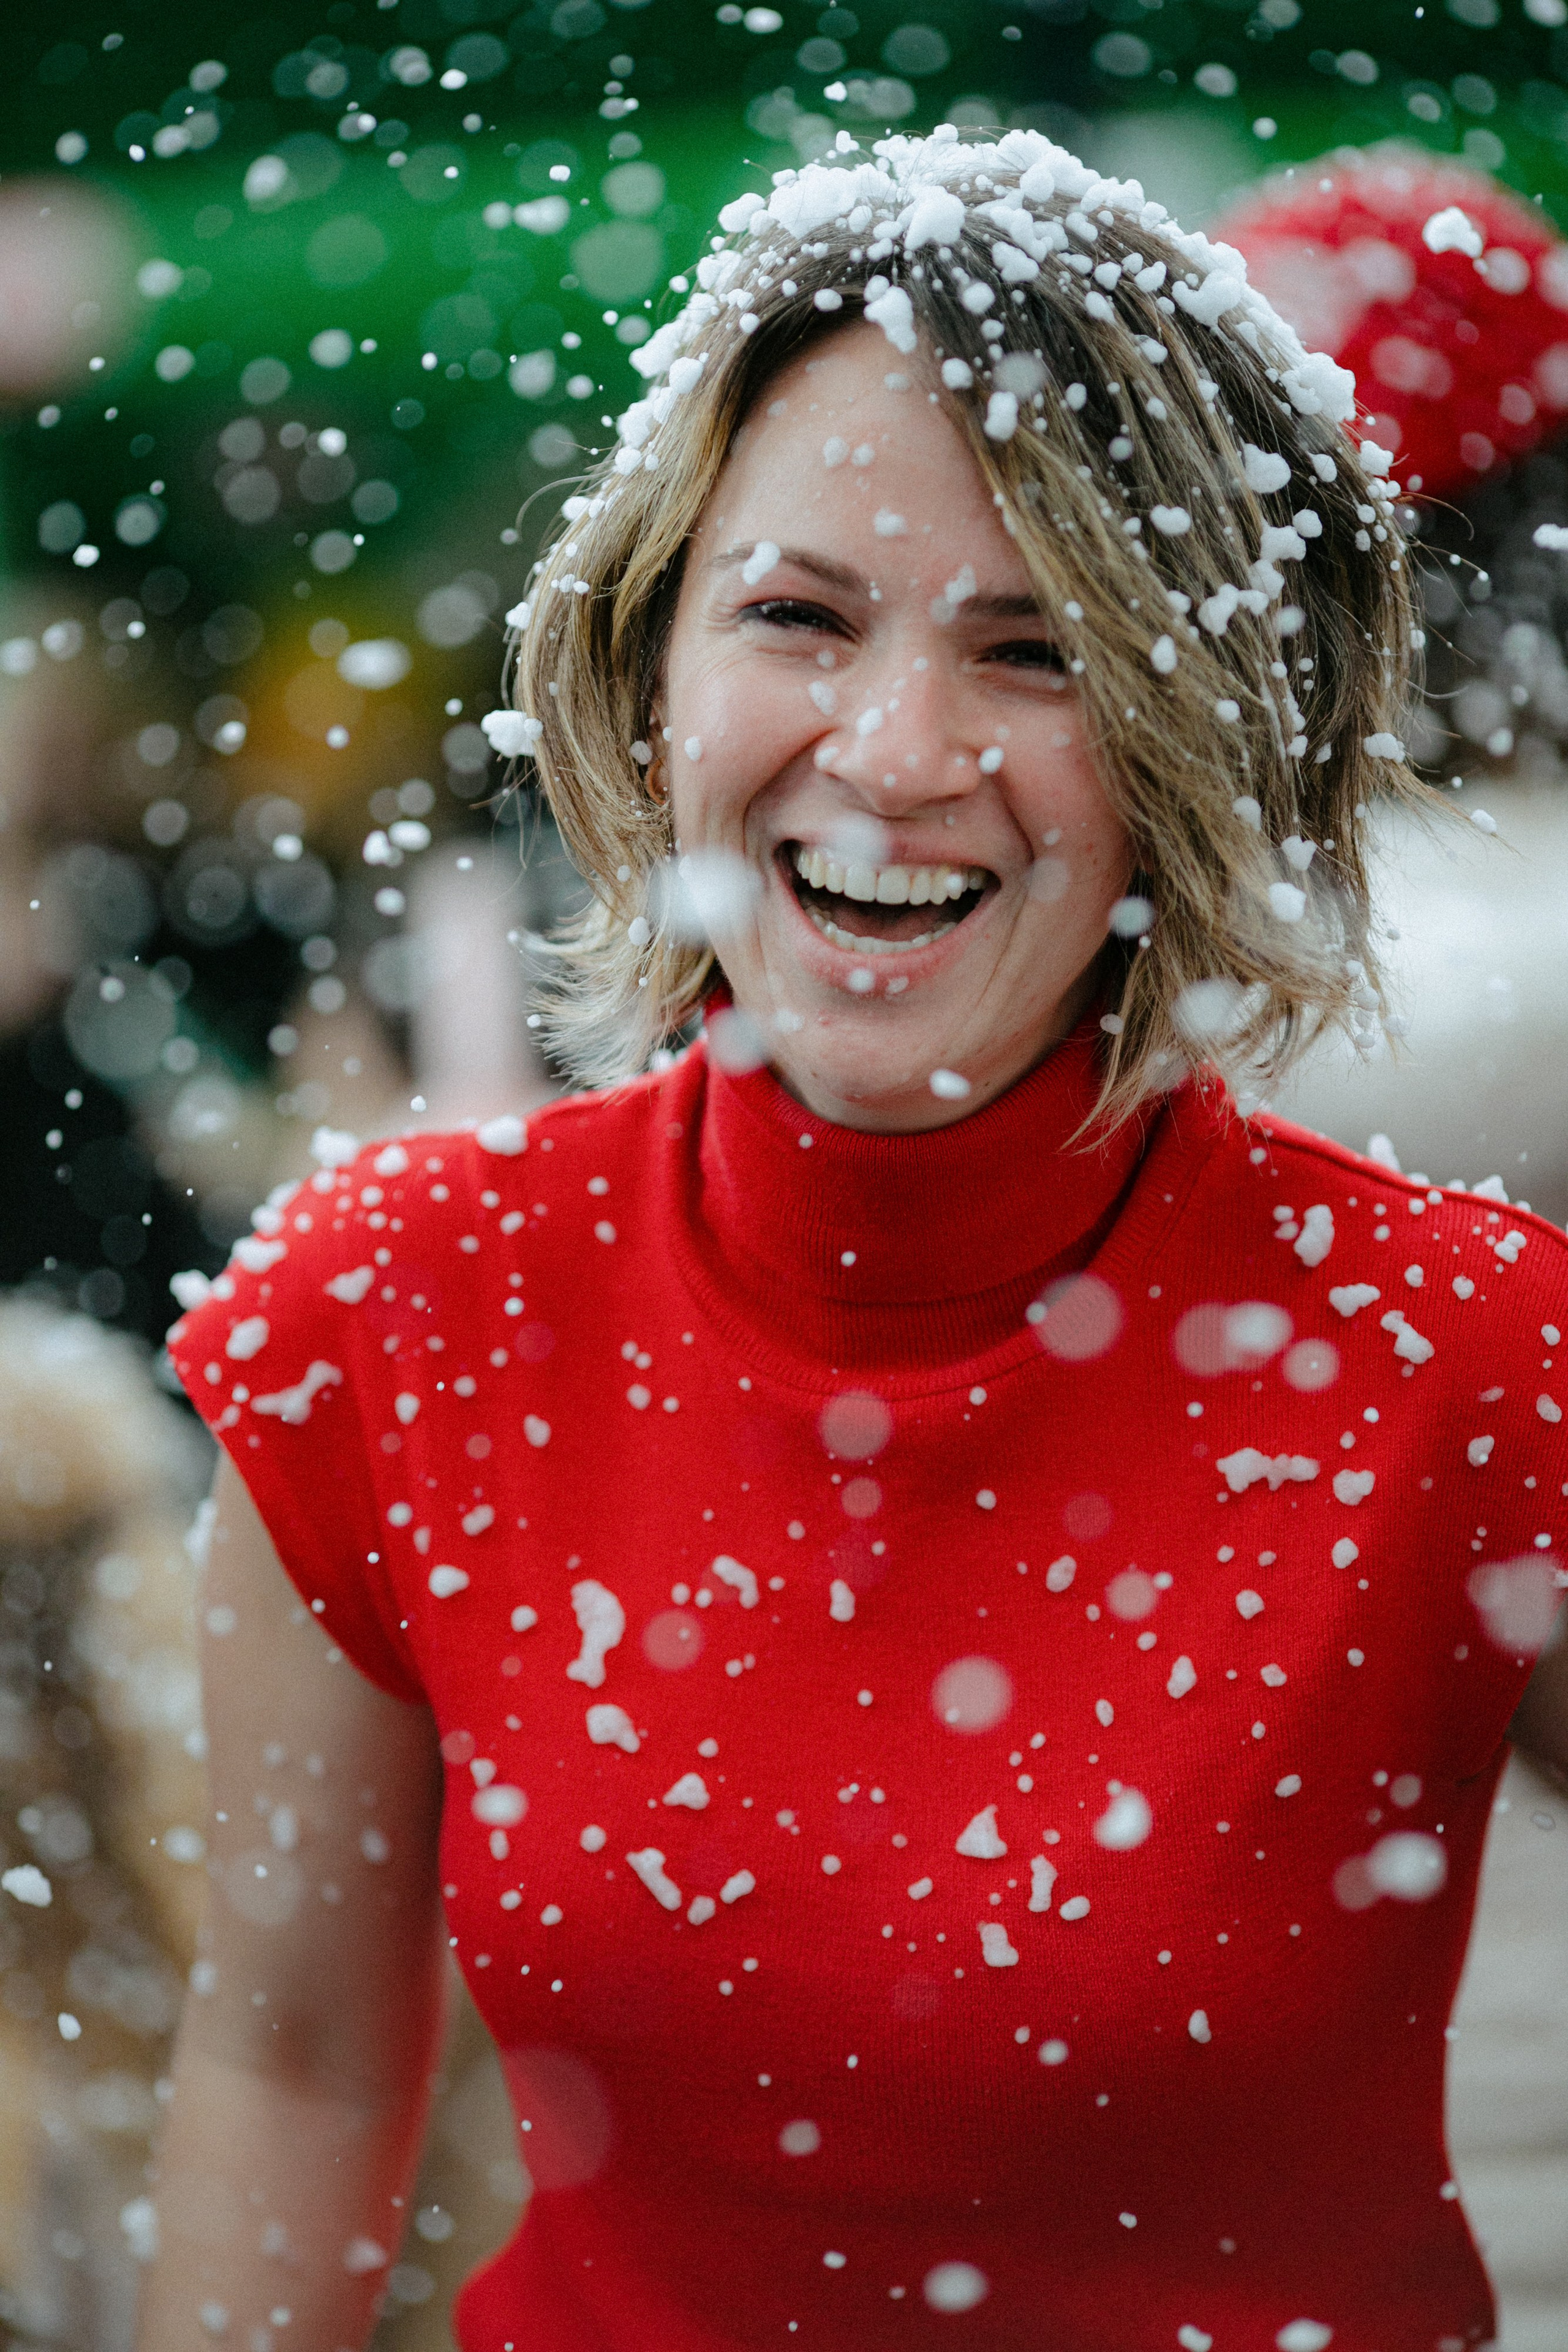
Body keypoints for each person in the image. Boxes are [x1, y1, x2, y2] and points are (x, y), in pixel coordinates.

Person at [141, 126, 1568, 2352]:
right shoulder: (386, 1313)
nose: (895, 752)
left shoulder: (1476, 1358)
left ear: (1208, 731)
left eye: (1037, 650)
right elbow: (292, 2064)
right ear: (645, 659)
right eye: (798, 616)